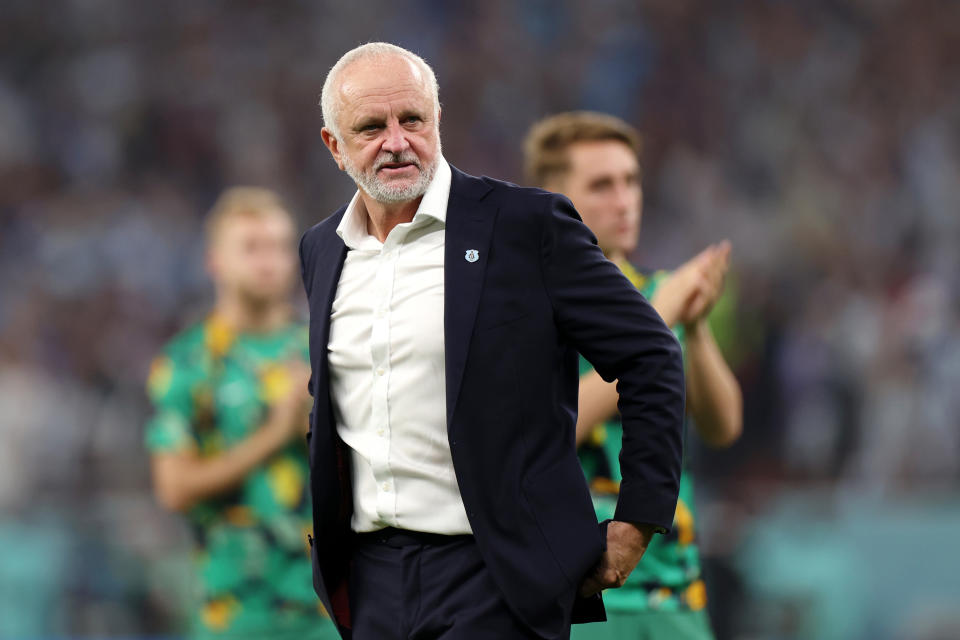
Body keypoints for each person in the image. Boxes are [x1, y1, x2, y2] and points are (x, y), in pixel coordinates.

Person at [299, 43, 685, 640]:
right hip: (371, 582)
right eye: (371, 127)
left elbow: (650, 355)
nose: (397, 141)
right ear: (334, 146)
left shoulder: (525, 226)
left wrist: (637, 519)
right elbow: (331, 400)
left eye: (413, 120)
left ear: (438, 121)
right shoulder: (323, 250)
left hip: (495, 578)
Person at [523, 111, 743, 640]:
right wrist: (660, 318)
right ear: (555, 196)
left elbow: (723, 426)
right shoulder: (526, 306)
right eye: (601, 185)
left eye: (631, 181)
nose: (624, 200)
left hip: (675, 588)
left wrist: (694, 326)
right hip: (582, 592)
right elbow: (545, 428)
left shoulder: (660, 290)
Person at [144, 188, 340, 640]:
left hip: (326, 612)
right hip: (233, 612)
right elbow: (173, 488)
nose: (267, 261)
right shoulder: (189, 363)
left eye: (277, 247)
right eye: (251, 248)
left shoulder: (324, 351)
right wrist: (276, 434)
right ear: (215, 262)